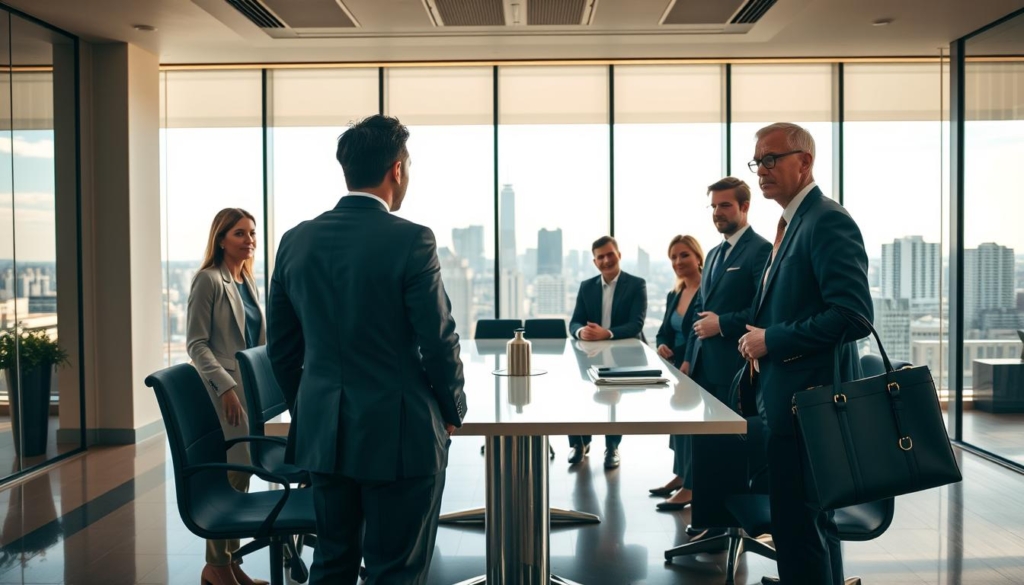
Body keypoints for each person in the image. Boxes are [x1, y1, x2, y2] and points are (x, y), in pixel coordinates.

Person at [267, 115, 466, 585]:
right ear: (397, 170)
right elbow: (437, 338)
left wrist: (312, 408)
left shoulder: (294, 241)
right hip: (399, 433)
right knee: (394, 568)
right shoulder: (412, 239)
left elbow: (281, 349)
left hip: (324, 438)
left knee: (332, 562)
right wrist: (452, 407)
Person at [738, 123, 872, 585]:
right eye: (757, 162)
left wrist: (770, 339)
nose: (762, 170)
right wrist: (757, 337)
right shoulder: (790, 223)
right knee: (809, 528)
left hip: (810, 407)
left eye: (771, 159)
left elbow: (853, 316)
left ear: (805, 161)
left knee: (799, 532)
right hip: (787, 402)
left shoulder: (825, 219)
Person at [186, 208, 268, 585]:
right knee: (233, 476)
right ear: (221, 239)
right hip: (226, 396)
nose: (249, 240)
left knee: (242, 475)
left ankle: (229, 563)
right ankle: (216, 565)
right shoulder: (209, 281)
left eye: (252, 233)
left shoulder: (245, 281)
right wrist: (227, 387)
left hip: (249, 391)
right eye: (240, 233)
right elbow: (197, 345)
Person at [567, 235, 648, 469]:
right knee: (581, 397)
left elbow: (637, 324)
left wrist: (607, 333)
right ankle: (579, 444)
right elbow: (574, 323)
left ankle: (612, 447)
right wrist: (582, 332)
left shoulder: (636, 284)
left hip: (624, 352)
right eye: (600, 257)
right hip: (590, 351)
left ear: (619, 255)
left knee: (614, 401)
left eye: (610, 254)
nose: (605, 260)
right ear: (594, 262)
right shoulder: (586, 286)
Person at [650, 235, 703, 511]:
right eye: (673, 257)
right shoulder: (675, 293)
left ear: (697, 257)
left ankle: (691, 486)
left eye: (683, 255)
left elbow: (700, 332)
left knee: (693, 427)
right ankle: (681, 475)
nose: (678, 262)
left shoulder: (707, 289)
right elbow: (663, 331)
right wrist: (661, 344)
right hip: (676, 366)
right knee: (679, 427)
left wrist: (689, 362)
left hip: (695, 365)